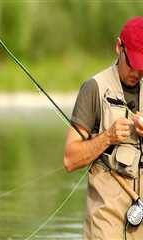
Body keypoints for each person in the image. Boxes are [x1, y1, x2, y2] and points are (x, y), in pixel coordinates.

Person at [63, 16, 143, 239]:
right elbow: (70, 159)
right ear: (119, 47)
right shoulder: (93, 89)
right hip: (104, 225)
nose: (137, 73)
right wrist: (108, 137)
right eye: (133, 63)